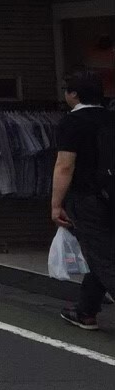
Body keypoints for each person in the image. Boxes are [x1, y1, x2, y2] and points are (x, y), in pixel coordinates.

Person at [52, 70, 113, 329]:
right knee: (103, 252)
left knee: (103, 257)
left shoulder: (73, 122)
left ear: (74, 94)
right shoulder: (111, 118)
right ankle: (85, 311)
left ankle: (85, 311)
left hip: (88, 198)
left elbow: (65, 166)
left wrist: (56, 204)